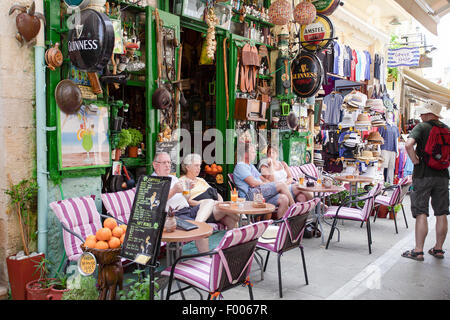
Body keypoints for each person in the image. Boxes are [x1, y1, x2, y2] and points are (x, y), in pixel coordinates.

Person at [403, 101, 449, 261]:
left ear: (429, 114)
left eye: (423, 113)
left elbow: (408, 144)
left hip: (423, 175)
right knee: (441, 212)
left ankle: (418, 250)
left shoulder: (422, 127)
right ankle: (438, 249)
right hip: (442, 176)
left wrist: (415, 160)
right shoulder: (446, 129)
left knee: (421, 211)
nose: (421, 116)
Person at [152, 152, 213, 253]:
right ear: (155, 165)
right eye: (164, 163)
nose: (168, 165)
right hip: (174, 216)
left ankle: (198, 223)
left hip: (187, 210)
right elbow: (155, 203)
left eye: (169, 162)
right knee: (202, 231)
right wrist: (173, 191)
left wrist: (188, 189)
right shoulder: (153, 181)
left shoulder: (173, 178)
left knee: (210, 202)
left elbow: (186, 198)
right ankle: (205, 257)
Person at [233, 142, 294, 219]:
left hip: (259, 194)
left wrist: (265, 182)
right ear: (245, 154)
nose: (255, 154)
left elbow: (263, 178)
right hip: (249, 196)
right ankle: (293, 207)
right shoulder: (240, 166)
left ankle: (280, 226)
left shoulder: (250, 166)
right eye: (252, 152)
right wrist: (264, 183)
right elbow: (253, 183)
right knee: (281, 184)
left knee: (284, 198)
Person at [179, 153, 240, 230]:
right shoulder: (182, 181)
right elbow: (186, 201)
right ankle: (246, 222)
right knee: (228, 210)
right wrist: (207, 203)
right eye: (196, 166)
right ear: (187, 167)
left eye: (200, 166)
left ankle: (233, 239)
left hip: (214, 206)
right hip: (200, 209)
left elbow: (216, 193)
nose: (199, 168)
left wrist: (220, 202)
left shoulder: (201, 180)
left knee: (230, 220)